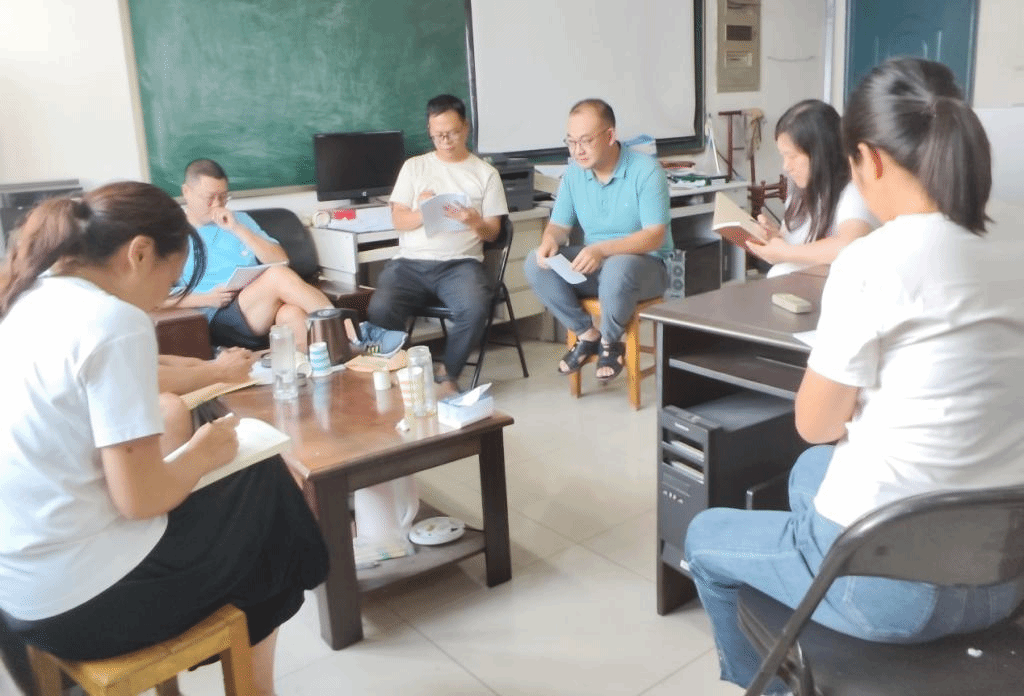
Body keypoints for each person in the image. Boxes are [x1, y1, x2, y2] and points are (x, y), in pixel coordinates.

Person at [683, 58, 1024, 695]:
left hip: (900, 597)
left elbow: (815, 424)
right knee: (808, 475)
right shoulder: (1018, 231)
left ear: (868, 159)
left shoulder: (874, 260)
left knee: (705, 536)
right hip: (1005, 572)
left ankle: (765, 683)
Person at [0, 182, 328, 696]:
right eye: (171, 281)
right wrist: (202, 453)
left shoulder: (32, 294)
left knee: (259, 505)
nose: (164, 300)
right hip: (81, 604)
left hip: (20, 592)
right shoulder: (111, 320)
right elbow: (141, 500)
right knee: (268, 500)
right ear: (139, 253)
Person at [524, 98, 672, 382]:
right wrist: (550, 240)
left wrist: (602, 250)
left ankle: (611, 341)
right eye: (571, 141)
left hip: (645, 268)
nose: (577, 150)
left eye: (585, 141)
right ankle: (587, 334)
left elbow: (655, 236)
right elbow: (559, 225)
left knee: (618, 266)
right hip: (597, 265)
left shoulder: (646, 170)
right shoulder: (573, 174)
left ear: (610, 135)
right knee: (535, 262)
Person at [367, 94, 508, 390]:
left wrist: (474, 221)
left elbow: (494, 233)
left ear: (466, 128)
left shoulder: (486, 174)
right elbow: (398, 220)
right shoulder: (414, 167)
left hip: (460, 265)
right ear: (430, 131)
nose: (445, 140)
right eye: (437, 134)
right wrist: (423, 211)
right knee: (381, 307)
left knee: (475, 309)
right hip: (410, 263)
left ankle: (448, 374)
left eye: (452, 133)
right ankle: (404, 369)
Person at [169, 158, 334, 352]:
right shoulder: (172, 235)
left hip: (259, 305)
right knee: (277, 276)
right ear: (186, 192)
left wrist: (237, 228)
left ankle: (328, 363)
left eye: (223, 197)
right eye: (210, 198)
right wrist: (207, 299)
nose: (217, 204)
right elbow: (155, 301)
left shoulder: (239, 219)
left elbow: (281, 260)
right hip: (218, 313)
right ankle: (347, 331)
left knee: (292, 314)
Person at [745, 99, 878, 277]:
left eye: (792, 156)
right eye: (783, 156)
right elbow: (797, 246)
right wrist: (775, 237)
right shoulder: (799, 190)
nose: (786, 166)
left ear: (820, 153)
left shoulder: (853, 191)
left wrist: (785, 252)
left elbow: (849, 245)